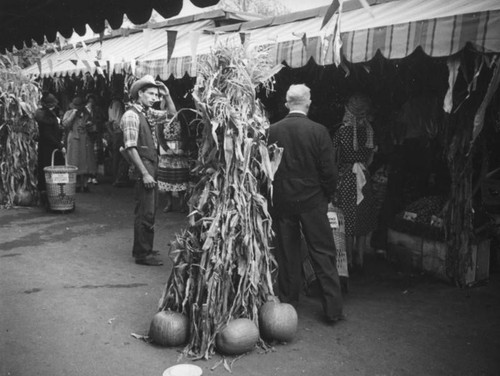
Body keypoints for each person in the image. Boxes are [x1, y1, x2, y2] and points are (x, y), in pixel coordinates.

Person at [268, 84, 344, 324]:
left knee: (287, 252)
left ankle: (288, 305)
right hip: (312, 200)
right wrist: (327, 195)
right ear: (308, 103)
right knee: (322, 252)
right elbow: (329, 171)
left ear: (287, 103)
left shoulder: (272, 130)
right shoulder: (319, 131)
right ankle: (332, 310)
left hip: (282, 200)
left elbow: (267, 169)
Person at [120, 75, 163, 266]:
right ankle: (142, 254)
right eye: (151, 94)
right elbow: (130, 147)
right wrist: (144, 173)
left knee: (150, 209)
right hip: (143, 166)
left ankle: (145, 247)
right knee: (145, 210)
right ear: (140, 94)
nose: (154, 98)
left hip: (151, 164)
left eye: (156, 95)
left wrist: (167, 95)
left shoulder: (147, 113)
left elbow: (172, 115)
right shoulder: (131, 115)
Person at [332, 94, 378, 271]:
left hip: (347, 177)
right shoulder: (369, 131)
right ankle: (360, 257)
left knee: (348, 218)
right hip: (364, 178)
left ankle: (348, 259)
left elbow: (334, 156)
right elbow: (371, 157)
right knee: (362, 216)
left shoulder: (341, 132)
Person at [152, 82, 189, 213]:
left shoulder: (180, 117)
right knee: (166, 179)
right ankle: (169, 203)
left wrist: (182, 148)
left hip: (179, 152)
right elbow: (160, 137)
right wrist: (167, 149)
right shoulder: (160, 119)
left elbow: (186, 134)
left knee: (180, 179)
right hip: (166, 153)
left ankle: (182, 203)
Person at [62, 97, 97, 193]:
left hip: (85, 139)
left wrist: (90, 126)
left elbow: (93, 126)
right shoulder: (68, 113)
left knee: (86, 161)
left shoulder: (87, 113)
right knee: (74, 160)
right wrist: (73, 114)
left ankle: (84, 184)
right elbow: (65, 124)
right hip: (74, 139)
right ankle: (76, 184)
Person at [34, 92, 65, 194]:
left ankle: (47, 194)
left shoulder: (43, 113)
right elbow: (48, 135)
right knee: (50, 171)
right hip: (50, 149)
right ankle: (52, 195)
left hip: (46, 147)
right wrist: (59, 145)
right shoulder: (46, 115)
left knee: (46, 171)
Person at [106, 93, 129, 187]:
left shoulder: (111, 105)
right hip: (119, 132)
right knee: (121, 155)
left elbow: (110, 121)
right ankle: (118, 178)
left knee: (116, 156)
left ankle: (115, 178)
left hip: (115, 132)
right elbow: (119, 120)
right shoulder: (118, 104)